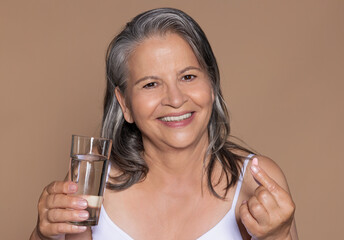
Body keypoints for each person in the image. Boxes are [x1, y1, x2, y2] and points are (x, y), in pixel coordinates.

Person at [30, 8, 298, 240]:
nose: (175, 99)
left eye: (188, 77)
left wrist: (280, 235)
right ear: (125, 105)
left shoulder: (256, 180)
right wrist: (44, 235)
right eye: (150, 84)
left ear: (212, 85)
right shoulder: (91, 182)